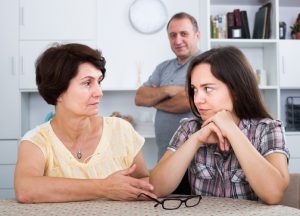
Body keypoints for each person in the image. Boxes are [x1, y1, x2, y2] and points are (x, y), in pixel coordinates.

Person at [14, 43, 156, 203]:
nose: (99, 92)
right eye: (87, 83)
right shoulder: (36, 141)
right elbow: (26, 190)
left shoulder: (121, 129)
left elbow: (144, 179)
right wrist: (104, 188)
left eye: (99, 82)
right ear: (58, 92)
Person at [149, 46, 290, 204]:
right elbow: (156, 188)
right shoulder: (189, 128)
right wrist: (197, 139)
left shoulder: (268, 129)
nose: (197, 99)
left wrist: (231, 130)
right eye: (194, 90)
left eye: (207, 89)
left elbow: (274, 194)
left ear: (236, 90)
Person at [135, 12, 200, 160]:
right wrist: (169, 90)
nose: (178, 40)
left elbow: (188, 101)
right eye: (173, 35)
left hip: (195, 159)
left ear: (197, 36)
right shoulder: (163, 67)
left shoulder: (205, 63)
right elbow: (139, 97)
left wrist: (155, 100)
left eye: (184, 34)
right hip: (164, 153)